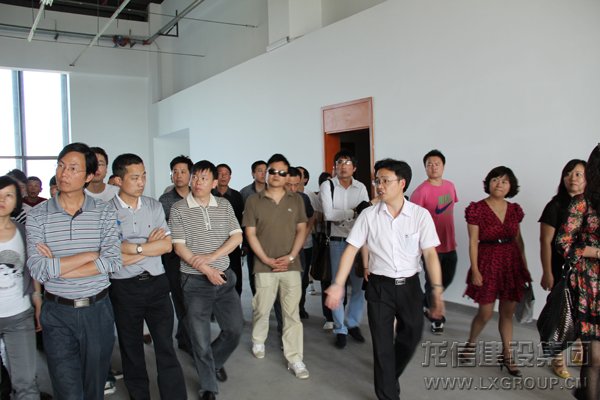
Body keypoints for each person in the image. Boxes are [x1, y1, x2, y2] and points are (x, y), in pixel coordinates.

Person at [325, 158, 444, 400]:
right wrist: (337, 284)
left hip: (410, 286)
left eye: (385, 181)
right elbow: (351, 249)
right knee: (382, 345)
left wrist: (437, 291)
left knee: (411, 336)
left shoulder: (419, 215)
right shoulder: (368, 215)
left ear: (402, 183)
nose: (379, 186)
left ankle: (388, 375)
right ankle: (388, 394)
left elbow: (430, 254)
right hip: (380, 287)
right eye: (377, 181)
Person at [26, 142, 122, 400]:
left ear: (89, 176)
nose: (63, 173)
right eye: (60, 166)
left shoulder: (103, 212)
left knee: (94, 387)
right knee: (67, 389)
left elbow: (113, 261)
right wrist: (88, 256)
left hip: (97, 311)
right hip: (57, 311)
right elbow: (37, 268)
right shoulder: (38, 215)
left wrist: (57, 268)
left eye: (72, 168)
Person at [109, 153, 186, 400]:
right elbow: (110, 257)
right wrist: (148, 247)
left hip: (157, 284)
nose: (141, 182)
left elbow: (166, 246)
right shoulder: (105, 212)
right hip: (123, 287)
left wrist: (132, 247)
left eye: (143, 176)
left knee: (165, 345)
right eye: (134, 177)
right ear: (118, 180)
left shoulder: (153, 206)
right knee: (131, 348)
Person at [170, 160, 244, 400]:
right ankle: (208, 386)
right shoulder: (179, 208)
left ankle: (213, 362)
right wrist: (205, 269)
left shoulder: (224, 205)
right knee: (200, 340)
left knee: (234, 329)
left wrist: (212, 259)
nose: (197, 182)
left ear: (214, 183)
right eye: (195, 177)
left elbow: (237, 237)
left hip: (224, 279)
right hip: (194, 283)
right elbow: (179, 247)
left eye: (203, 178)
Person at [243, 154, 309, 379]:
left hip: (291, 266)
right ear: (266, 173)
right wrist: (266, 259)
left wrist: (290, 257)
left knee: (292, 314)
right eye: (273, 171)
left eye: (282, 172)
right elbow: (250, 233)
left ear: (288, 176)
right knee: (262, 308)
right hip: (264, 266)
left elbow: (302, 229)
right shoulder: (253, 201)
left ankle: (295, 358)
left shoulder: (296, 200)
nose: (277, 176)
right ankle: (258, 339)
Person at [462, 166, 531, 377]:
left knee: (507, 313)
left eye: (504, 181)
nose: (499, 184)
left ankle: (507, 354)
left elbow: (519, 240)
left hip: (511, 264)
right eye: (495, 179)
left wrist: (524, 267)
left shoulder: (514, 210)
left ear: (511, 186)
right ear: (488, 183)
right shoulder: (477, 209)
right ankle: (471, 344)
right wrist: (475, 270)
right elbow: (473, 242)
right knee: (485, 313)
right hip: (487, 262)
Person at [556, 145, 600, 400]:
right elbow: (563, 243)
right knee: (595, 358)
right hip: (591, 287)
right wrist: (595, 252)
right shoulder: (583, 202)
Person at [539, 159, 587, 378]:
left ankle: (578, 351)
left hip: (584, 269)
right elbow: (545, 242)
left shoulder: (590, 207)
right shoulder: (556, 206)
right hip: (561, 267)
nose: (572, 178)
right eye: (568, 173)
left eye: (578, 174)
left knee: (581, 311)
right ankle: (557, 359)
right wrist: (547, 272)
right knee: (560, 312)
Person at [319, 150, 370, 349]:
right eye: (339, 162)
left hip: (359, 243)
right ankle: (340, 328)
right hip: (337, 241)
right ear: (335, 166)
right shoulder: (328, 185)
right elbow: (329, 215)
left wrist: (353, 213)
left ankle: (353, 323)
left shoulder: (361, 187)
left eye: (347, 162)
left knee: (359, 286)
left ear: (354, 168)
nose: (343, 166)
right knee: (337, 285)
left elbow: (367, 213)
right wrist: (354, 211)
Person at [0, 175, 42, 399]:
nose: (2, 200)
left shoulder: (24, 232)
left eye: (9, 195)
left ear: (17, 200)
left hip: (19, 316)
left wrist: (38, 301)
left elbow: (32, 270)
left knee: (26, 383)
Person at [410, 149, 458, 335]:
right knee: (432, 284)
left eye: (437, 164)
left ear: (443, 166)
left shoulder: (450, 186)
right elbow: (412, 221)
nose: (433, 167)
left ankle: (424, 302)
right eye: (429, 164)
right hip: (430, 247)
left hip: (450, 243)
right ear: (425, 168)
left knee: (447, 279)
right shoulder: (420, 192)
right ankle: (436, 318)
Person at [159, 155, 193, 354]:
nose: (178, 175)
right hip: (173, 257)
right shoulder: (165, 200)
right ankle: (188, 339)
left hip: (196, 255)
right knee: (180, 298)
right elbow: (162, 230)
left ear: (190, 175)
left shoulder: (199, 196)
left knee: (193, 300)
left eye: (183, 171)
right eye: (175, 172)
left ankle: (185, 336)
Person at [212, 163, 244, 295]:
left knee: (235, 274)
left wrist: (244, 244)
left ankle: (235, 300)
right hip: (214, 243)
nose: (223, 176)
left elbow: (241, 220)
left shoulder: (237, 196)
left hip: (232, 242)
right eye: (220, 173)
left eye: (226, 174)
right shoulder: (210, 195)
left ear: (230, 177)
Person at [240, 160, 267, 295]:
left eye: (266, 171)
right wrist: (244, 243)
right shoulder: (245, 192)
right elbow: (242, 219)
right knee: (253, 271)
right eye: (259, 171)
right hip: (252, 239)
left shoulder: (275, 190)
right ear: (253, 173)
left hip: (270, 239)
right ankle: (257, 299)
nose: (263, 174)